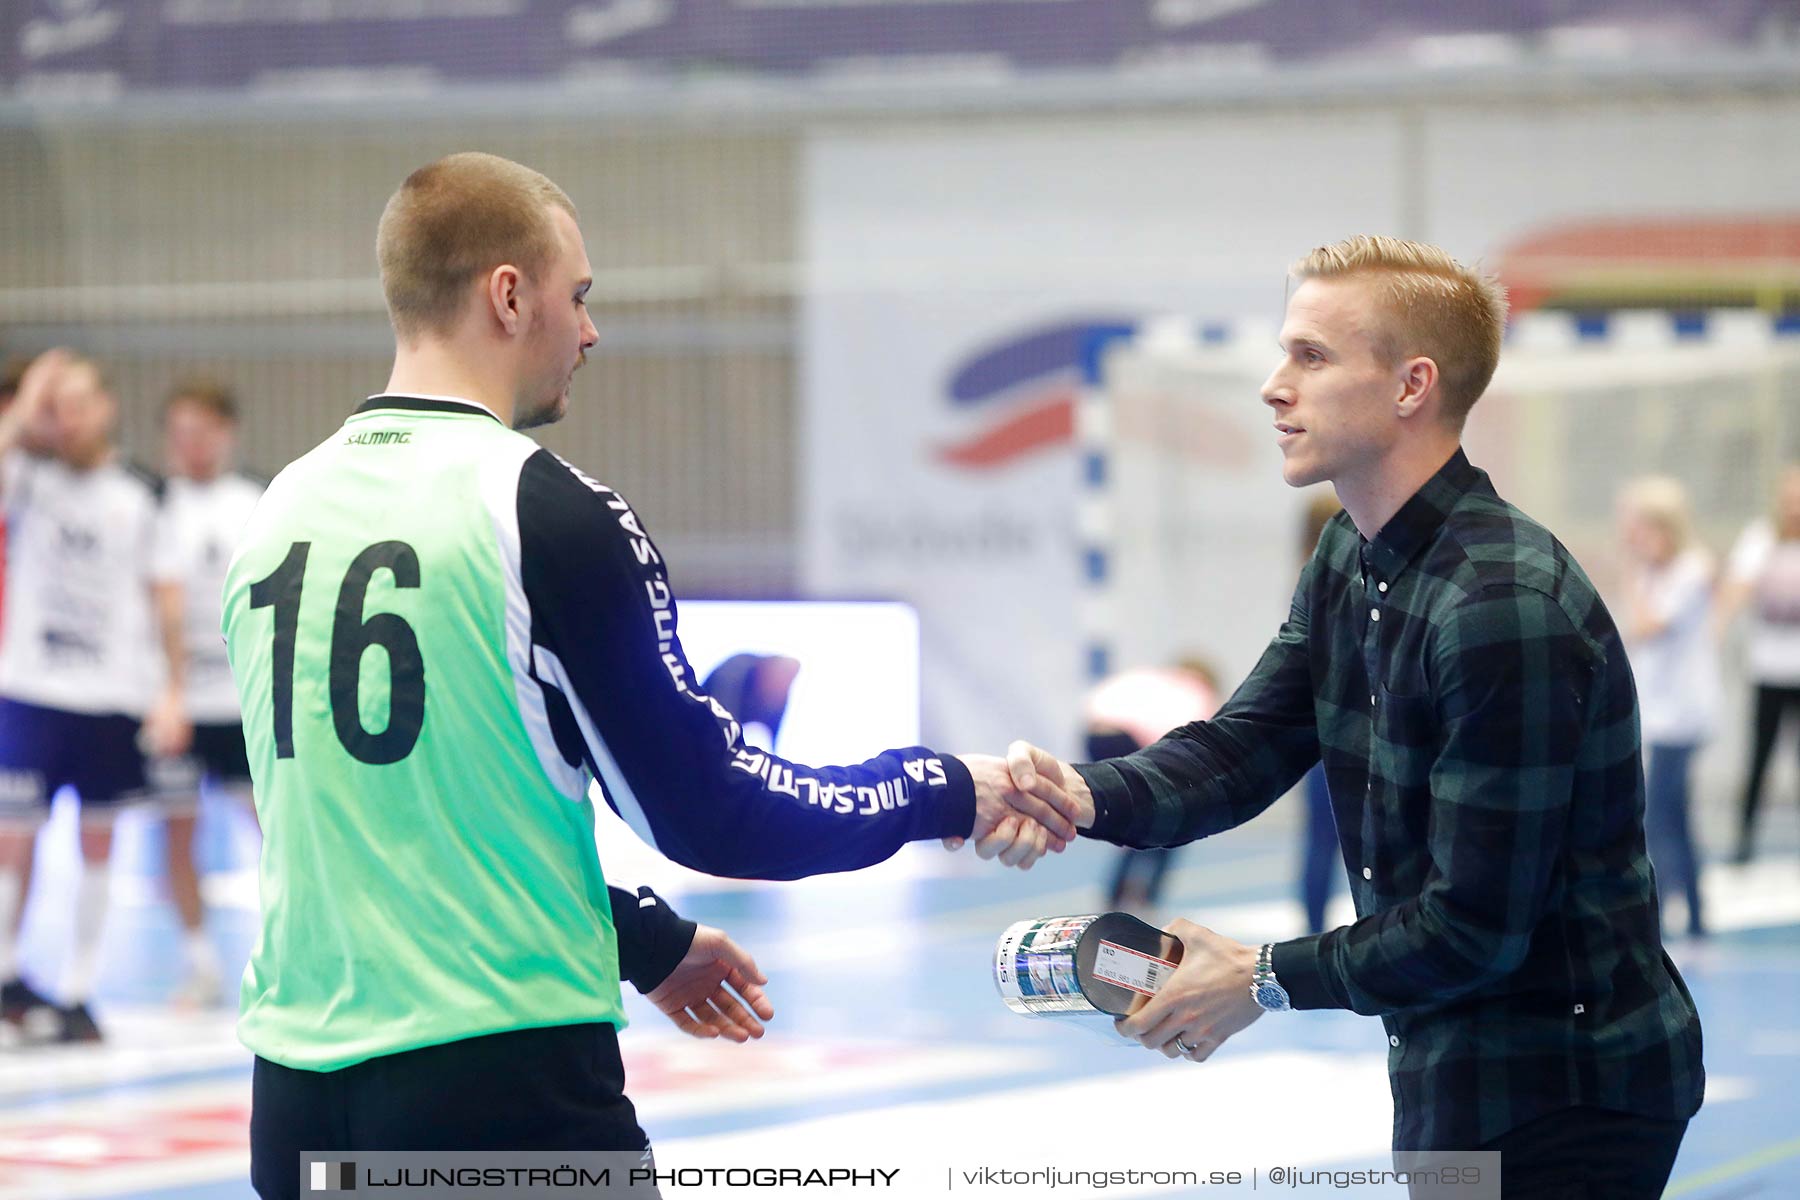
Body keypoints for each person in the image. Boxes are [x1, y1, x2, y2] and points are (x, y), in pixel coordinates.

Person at [225, 152, 1070, 1199]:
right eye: (577, 297)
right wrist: (943, 788)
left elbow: (383, 821)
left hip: (296, 1102)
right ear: (507, 294)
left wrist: (646, 938)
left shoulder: (277, 512)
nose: (589, 331)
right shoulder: (541, 510)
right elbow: (715, 811)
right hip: (502, 1098)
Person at [996, 236, 1704, 1198]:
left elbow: (1474, 926)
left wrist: (1256, 975)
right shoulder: (1347, 560)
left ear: (1413, 385)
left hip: (1567, 1094)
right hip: (1450, 1072)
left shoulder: (1500, 607)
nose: (1272, 386)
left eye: (1311, 357)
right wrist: (1077, 795)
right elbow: (1242, 748)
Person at [0, 350, 190, 1043]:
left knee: (98, 840)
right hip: (31, 688)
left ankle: (79, 992)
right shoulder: (27, 477)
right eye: (58, 406)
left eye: (79, 403)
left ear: (107, 407)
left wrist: (170, 692)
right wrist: (27, 410)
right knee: (14, 836)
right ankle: (7, 977)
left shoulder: (140, 494)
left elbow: (165, 599)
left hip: (111, 696)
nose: (67, 419)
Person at [1618, 477, 1719, 938]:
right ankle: (1696, 917)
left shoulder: (1692, 570)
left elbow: (1646, 625)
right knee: (1675, 816)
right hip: (1659, 714)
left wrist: (1633, 576)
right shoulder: (1651, 574)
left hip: (1682, 716)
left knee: (1659, 817)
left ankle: (1661, 915)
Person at [1718, 465, 1800, 863]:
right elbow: (1736, 587)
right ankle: (1744, 838)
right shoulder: (1761, 539)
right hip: (1768, 671)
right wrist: (1716, 626)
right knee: (1759, 758)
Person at [1092, 660, 1219, 913]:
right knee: (1168, 821)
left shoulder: (1154, 679)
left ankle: (1114, 895)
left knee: (1131, 825)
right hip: (1130, 738)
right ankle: (1147, 897)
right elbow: (1190, 746)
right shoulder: (1199, 695)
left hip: (1094, 734)